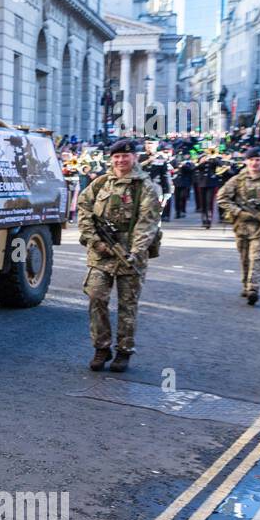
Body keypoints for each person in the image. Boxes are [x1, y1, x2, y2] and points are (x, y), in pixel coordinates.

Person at [76, 138, 162, 373]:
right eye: (116, 157)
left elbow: (147, 224)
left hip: (130, 254)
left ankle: (124, 350)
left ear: (134, 157)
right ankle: (101, 347)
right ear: (111, 159)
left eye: (125, 156)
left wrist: (135, 252)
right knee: (96, 296)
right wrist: (94, 239)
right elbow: (83, 207)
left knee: (128, 304)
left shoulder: (145, 187)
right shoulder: (101, 183)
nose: (121, 160)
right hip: (101, 252)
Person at [216, 147, 260, 305]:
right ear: (246, 161)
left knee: (256, 256)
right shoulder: (237, 180)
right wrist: (238, 211)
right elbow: (222, 198)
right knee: (244, 257)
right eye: (251, 160)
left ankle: (254, 288)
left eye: (258, 160)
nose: (254, 163)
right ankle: (246, 285)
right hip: (241, 225)